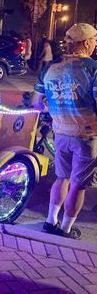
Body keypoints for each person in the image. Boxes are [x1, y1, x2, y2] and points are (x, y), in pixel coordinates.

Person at [32, 23, 97, 239]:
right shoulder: (93, 69)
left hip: (60, 132)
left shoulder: (50, 68)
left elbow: (37, 104)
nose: (96, 44)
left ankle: (50, 221)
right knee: (78, 185)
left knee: (61, 178)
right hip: (86, 137)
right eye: (95, 40)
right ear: (87, 43)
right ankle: (66, 230)